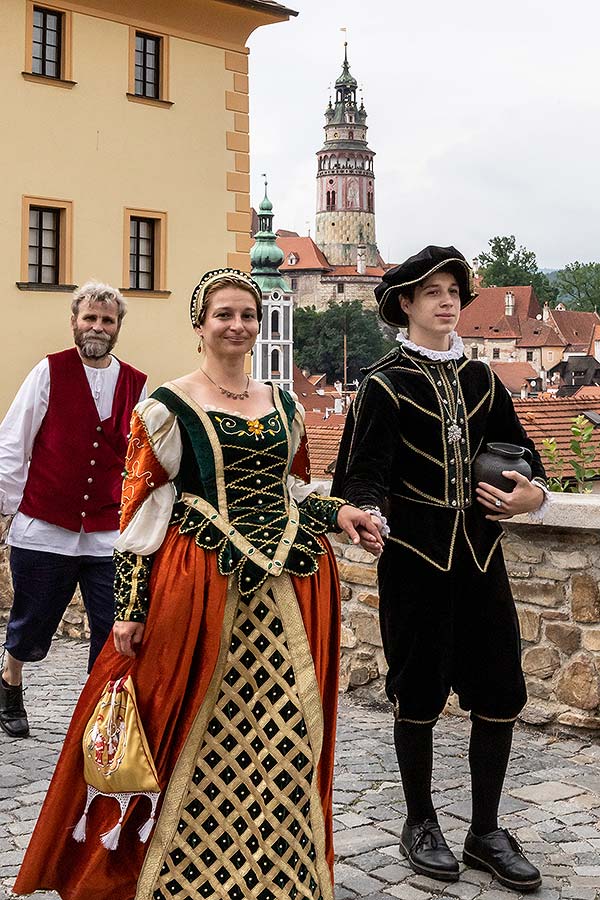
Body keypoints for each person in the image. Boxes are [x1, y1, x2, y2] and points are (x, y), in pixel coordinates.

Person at [14, 267, 382, 900]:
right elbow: (137, 517)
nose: (236, 326)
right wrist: (128, 609)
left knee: (284, 733)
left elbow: (289, 493)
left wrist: (339, 512)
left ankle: (277, 868)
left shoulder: (284, 403)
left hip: (286, 598)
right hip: (200, 588)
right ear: (200, 323)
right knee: (190, 729)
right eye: (223, 315)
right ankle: (182, 873)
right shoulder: (167, 406)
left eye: (247, 315)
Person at [332, 246, 548, 894]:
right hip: (416, 562)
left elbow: (529, 462)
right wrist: (360, 513)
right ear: (406, 304)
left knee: (502, 692)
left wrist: (528, 497)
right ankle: (420, 822)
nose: (446, 301)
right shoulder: (383, 384)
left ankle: (485, 830)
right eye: (432, 292)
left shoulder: (483, 382)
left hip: (483, 560)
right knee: (418, 693)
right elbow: (358, 478)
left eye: (453, 290)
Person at [0, 282, 147, 738]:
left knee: (110, 630)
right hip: (44, 524)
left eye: (107, 320)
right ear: (74, 322)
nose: (98, 327)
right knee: (32, 620)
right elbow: (14, 444)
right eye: (90, 318)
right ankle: (9, 680)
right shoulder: (49, 372)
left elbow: (143, 461)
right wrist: (4, 510)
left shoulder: (137, 385)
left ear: (118, 327)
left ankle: (99, 713)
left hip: (107, 534)